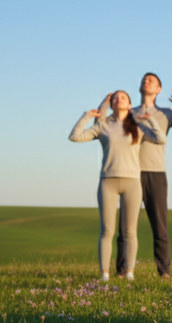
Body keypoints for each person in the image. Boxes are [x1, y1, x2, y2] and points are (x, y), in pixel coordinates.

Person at [69, 90, 166, 281]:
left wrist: (150, 120)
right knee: (107, 230)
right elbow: (75, 136)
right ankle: (104, 274)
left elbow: (161, 139)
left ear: (129, 104)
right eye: (115, 97)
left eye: (123, 97)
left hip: (132, 183)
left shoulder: (138, 127)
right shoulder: (103, 126)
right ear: (111, 104)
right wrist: (87, 116)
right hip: (108, 182)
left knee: (130, 230)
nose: (118, 99)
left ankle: (129, 272)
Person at [114, 72, 172, 278]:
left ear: (158, 90)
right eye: (144, 79)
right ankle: (122, 270)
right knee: (125, 226)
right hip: (130, 173)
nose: (146, 81)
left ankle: (164, 272)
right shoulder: (128, 112)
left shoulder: (166, 114)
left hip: (156, 174)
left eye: (152, 80)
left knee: (160, 226)